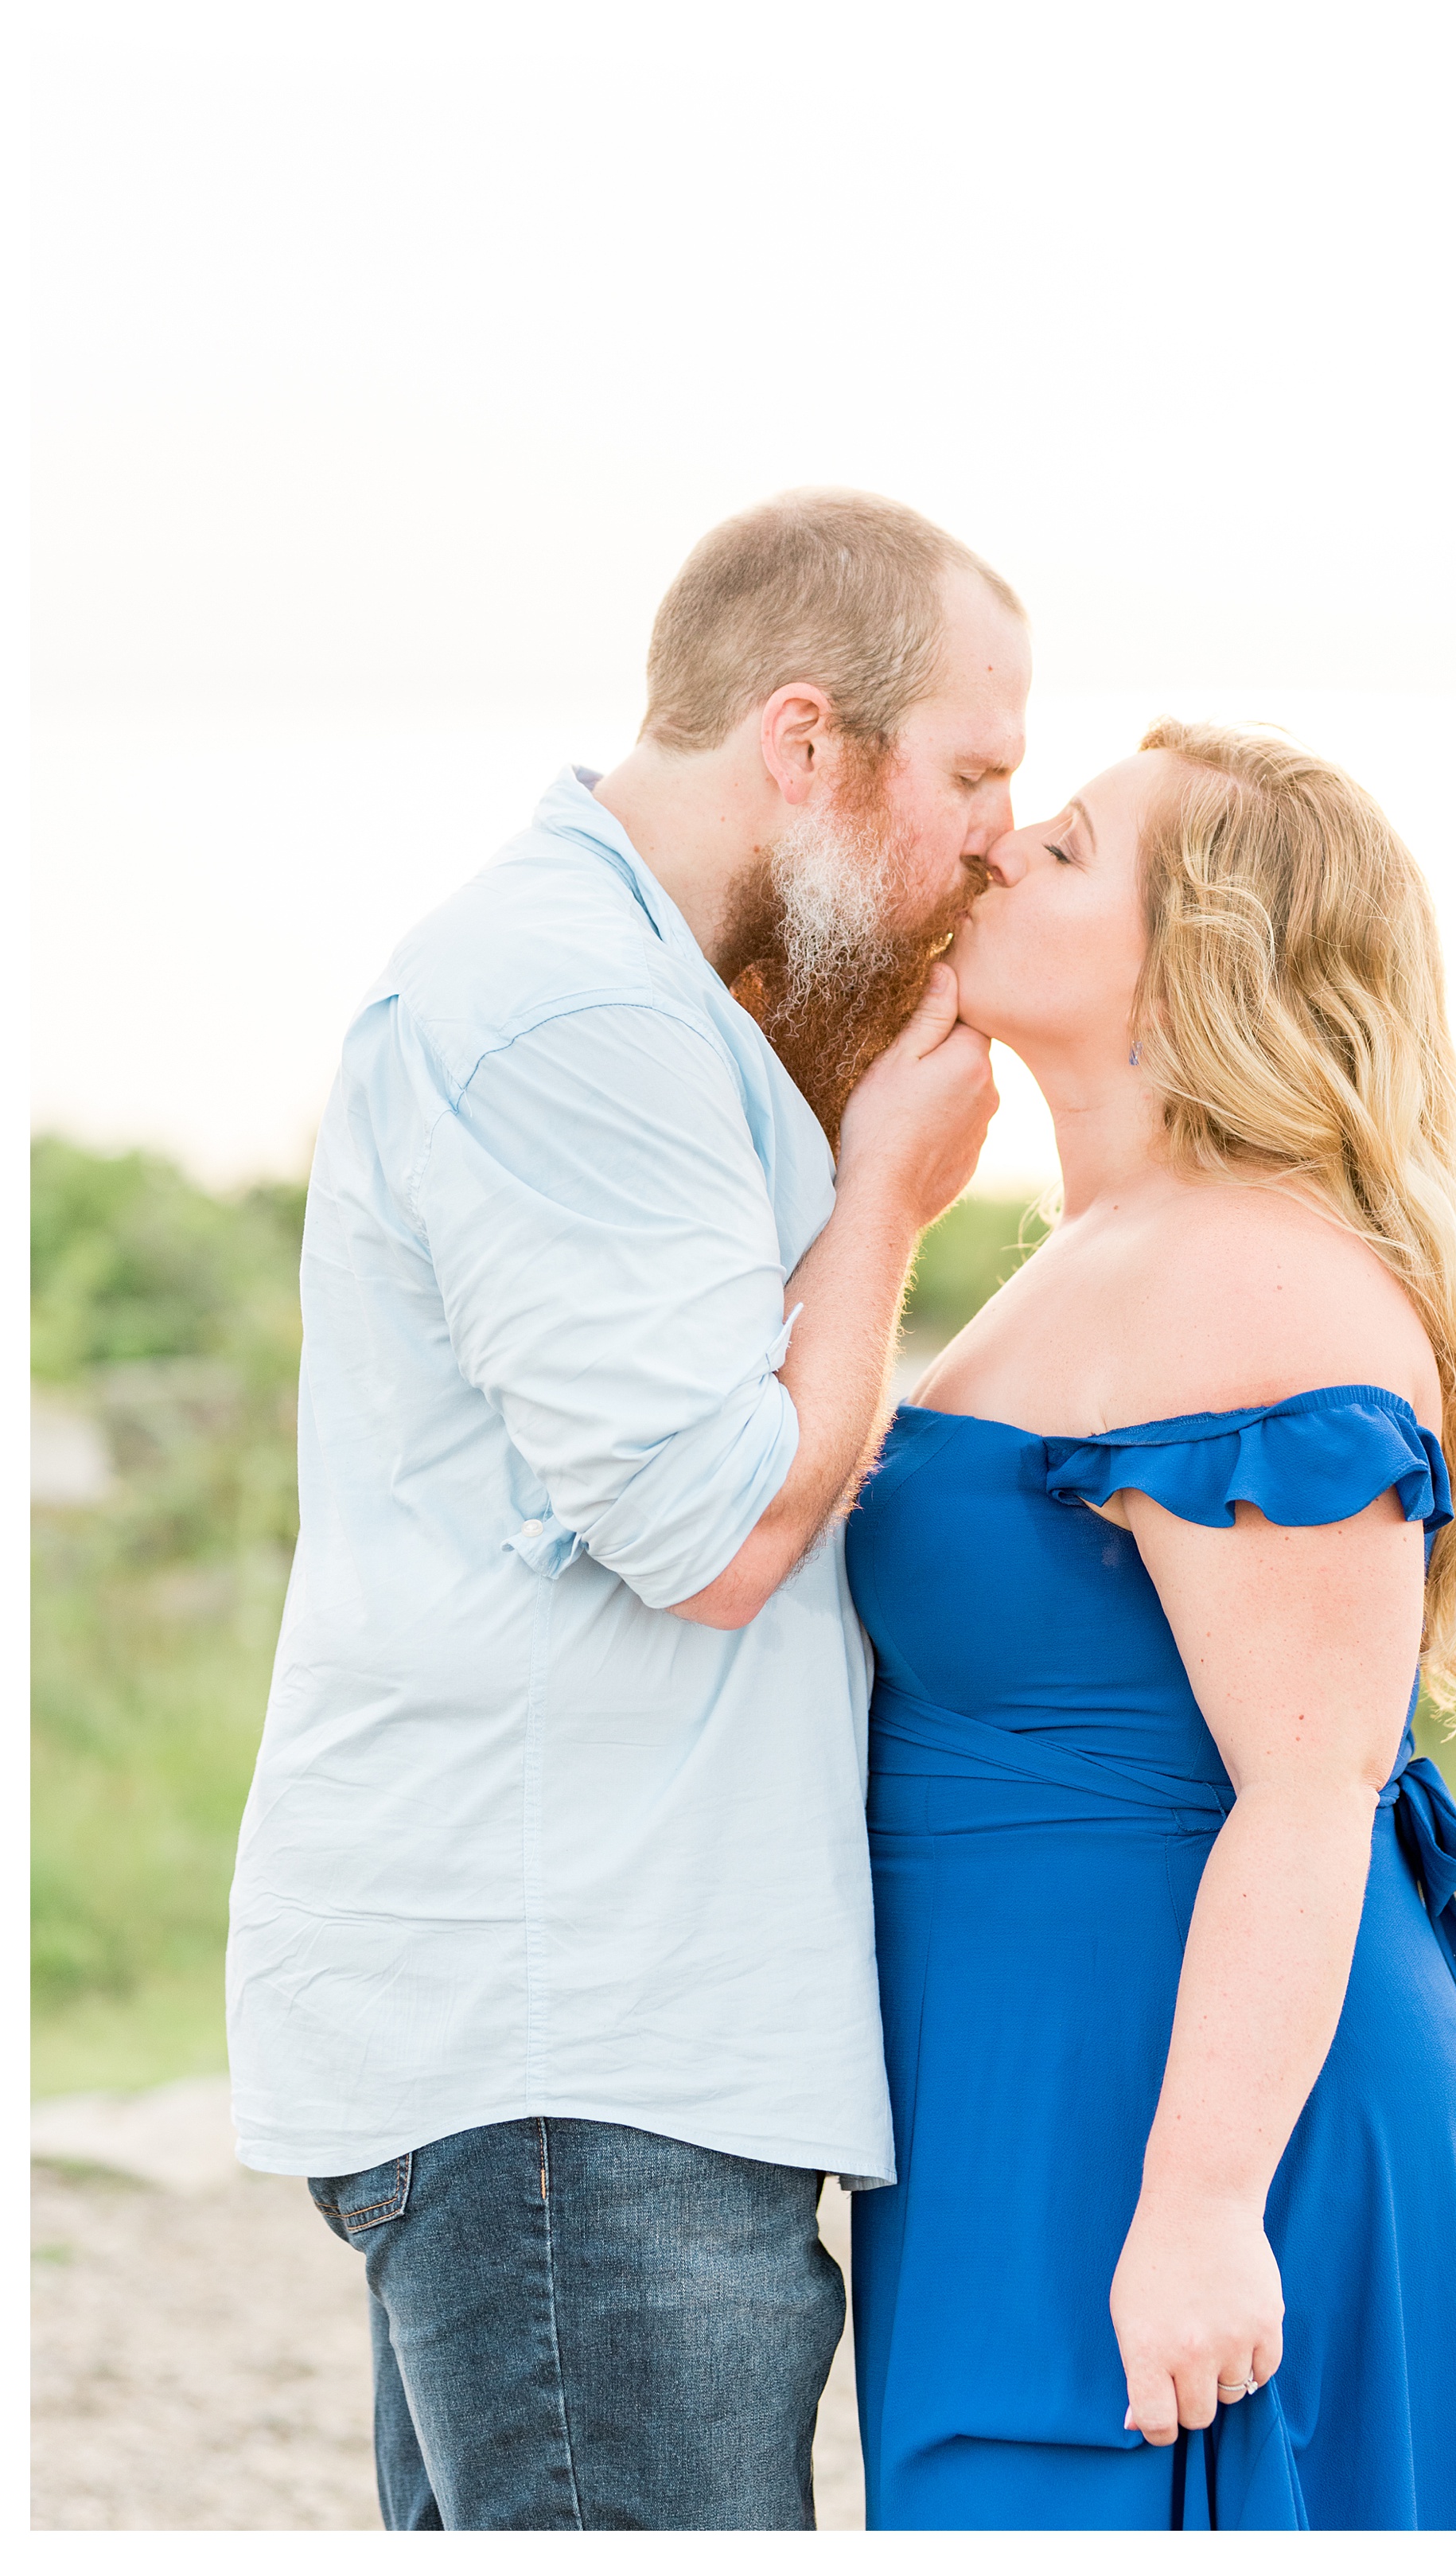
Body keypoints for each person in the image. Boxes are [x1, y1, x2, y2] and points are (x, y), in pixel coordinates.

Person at [225, 490, 1030, 2532]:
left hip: (600, 2038)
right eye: (971, 773)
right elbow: (717, 1535)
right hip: (581, 2049)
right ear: (802, 739)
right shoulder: (570, 1003)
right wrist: (884, 1201)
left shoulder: (653, 996)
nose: (993, 842)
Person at [846, 720, 1456, 2530]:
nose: (1004, 847)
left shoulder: (1250, 1275)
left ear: (1200, 958)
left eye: (1071, 848)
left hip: (1184, 2098)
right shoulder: (1108, 1241)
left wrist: (1197, 2205)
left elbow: (1313, 1790)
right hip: (1041, 2061)